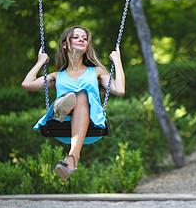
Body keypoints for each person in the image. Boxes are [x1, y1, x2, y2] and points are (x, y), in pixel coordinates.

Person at [22, 26, 125, 182]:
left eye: (84, 38)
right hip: (62, 124)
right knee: (72, 96)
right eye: (76, 37)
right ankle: (62, 110)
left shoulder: (96, 72)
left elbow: (120, 90)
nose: (82, 40)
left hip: (89, 122)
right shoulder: (57, 76)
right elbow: (27, 84)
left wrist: (117, 62)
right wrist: (40, 62)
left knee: (81, 96)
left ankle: (73, 155)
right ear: (65, 44)